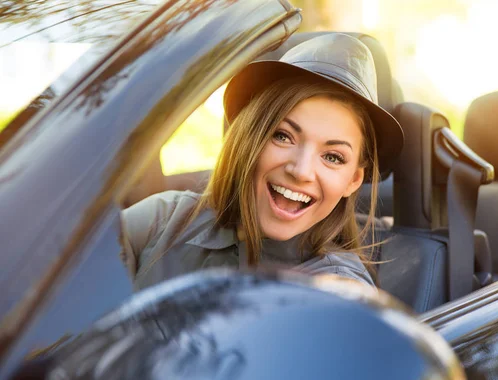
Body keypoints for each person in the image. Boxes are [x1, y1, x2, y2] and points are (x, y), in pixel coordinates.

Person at [120, 33, 404, 291]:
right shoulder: (162, 221)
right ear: (248, 137)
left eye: (332, 157)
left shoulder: (339, 290)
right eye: (282, 136)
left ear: (353, 180)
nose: (301, 170)